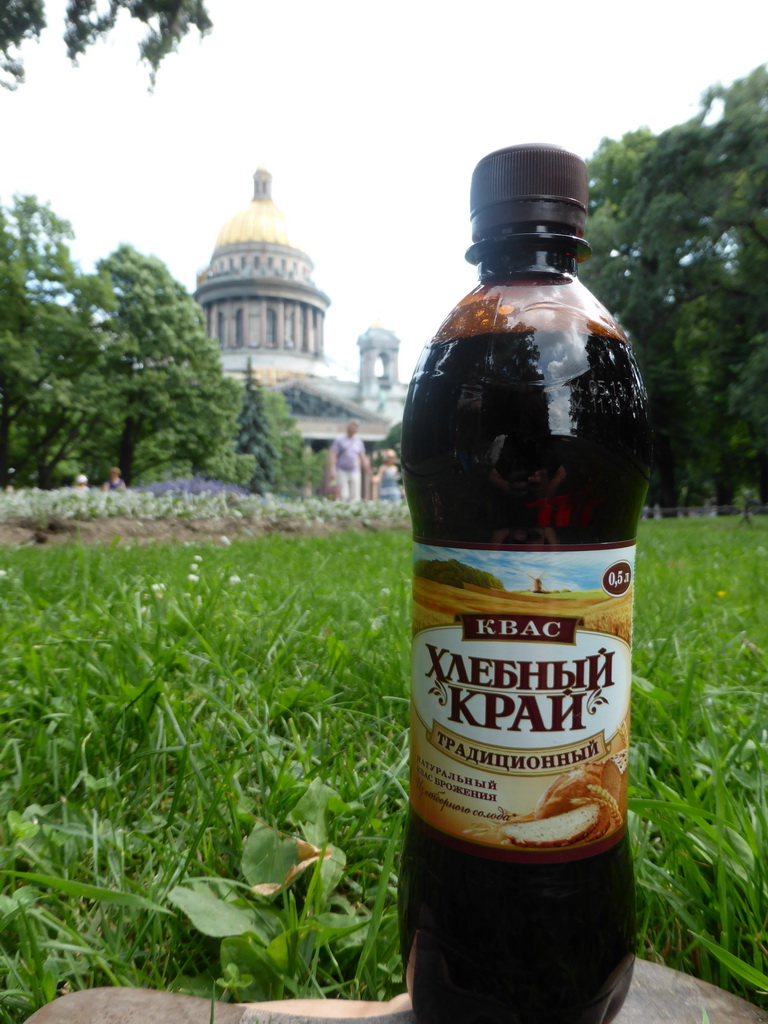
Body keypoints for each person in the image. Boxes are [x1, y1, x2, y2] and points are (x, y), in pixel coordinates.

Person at [328, 421, 370, 501]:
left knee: (355, 495)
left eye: (356, 427)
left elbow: (362, 456)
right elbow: (333, 455)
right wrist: (332, 470)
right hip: (341, 470)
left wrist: (367, 468)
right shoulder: (340, 440)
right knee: (343, 494)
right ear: (348, 427)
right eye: (353, 426)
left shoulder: (358, 442)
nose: (355, 428)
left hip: (355, 471)